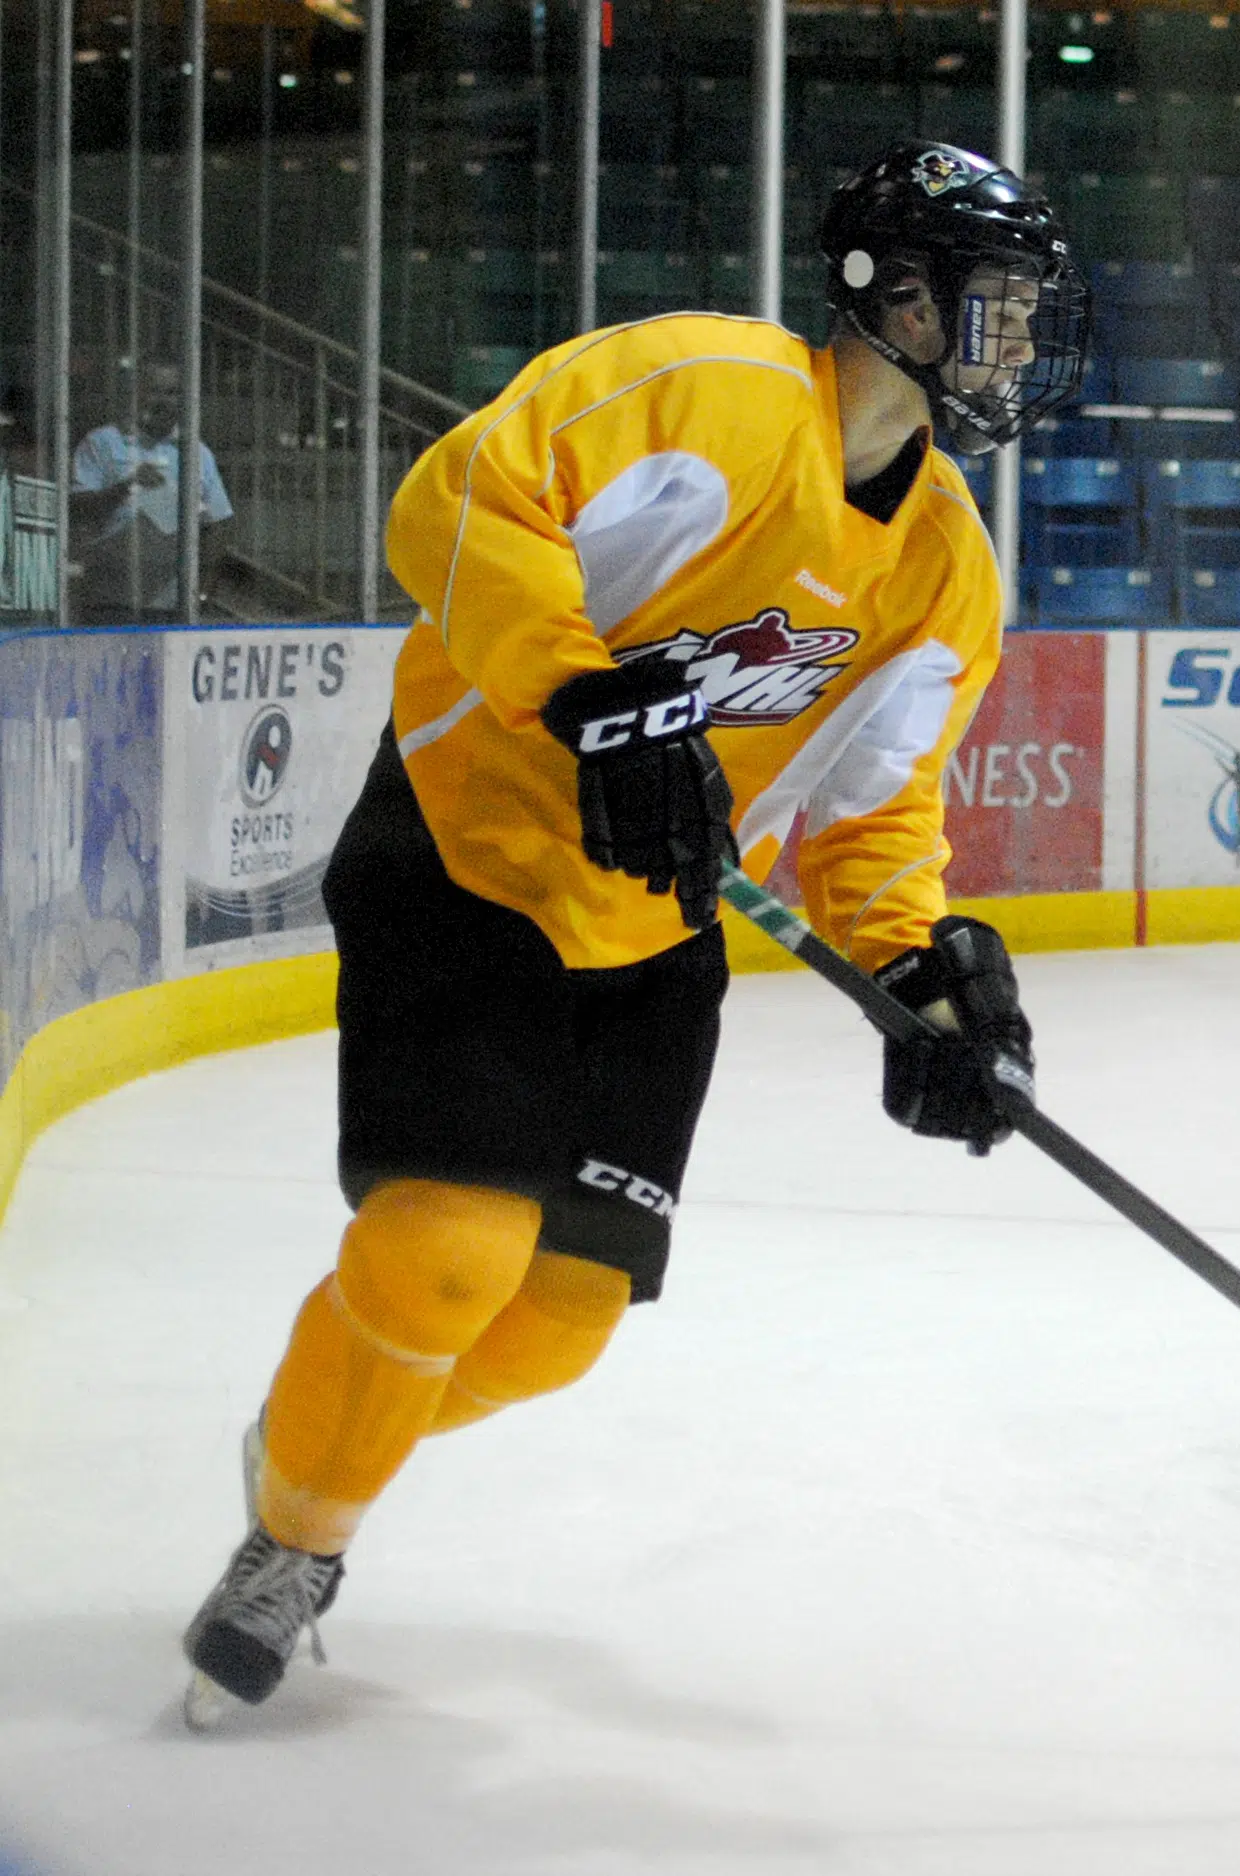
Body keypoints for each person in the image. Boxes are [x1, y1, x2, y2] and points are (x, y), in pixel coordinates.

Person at [178, 140, 1090, 1727]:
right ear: (886, 294)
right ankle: (297, 1534)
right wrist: (580, 687)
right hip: (464, 854)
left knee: (554, 1329)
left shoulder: (947, 568)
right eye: (986, 303)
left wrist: (915, 972)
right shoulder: (699, 390)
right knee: (448, 1251)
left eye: (1024, 311)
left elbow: (874, 814)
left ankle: (317, 1428)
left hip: (654, 927)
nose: (1011, 340)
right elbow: (455, 497)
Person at [68, 362, 233, 617]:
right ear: (136, 393)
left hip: (171, 603)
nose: (165, 401)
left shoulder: (197, 453)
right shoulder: (102, 442)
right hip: (110, 598)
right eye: (155, 391)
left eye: (172, 393)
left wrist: (201, 594)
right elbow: (77, 510)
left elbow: (219, 526)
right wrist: (127, 486)